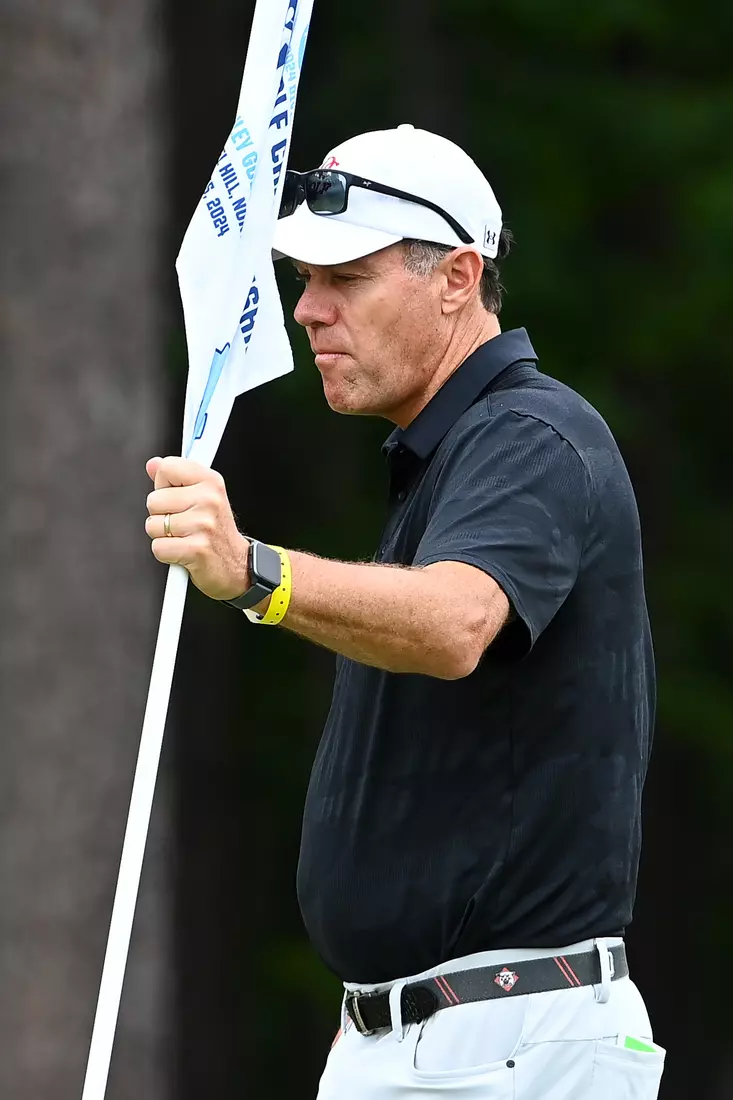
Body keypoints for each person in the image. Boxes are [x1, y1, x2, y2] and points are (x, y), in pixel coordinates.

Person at [144, 125, 664, 1099]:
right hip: (436, 1038)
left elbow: (453, 622)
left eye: (345, 277)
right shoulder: (461, 459)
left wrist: (253, 570)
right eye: (303, 278)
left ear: (457, 277)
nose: (308, 309)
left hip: (502, 1041)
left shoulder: (531, 432)